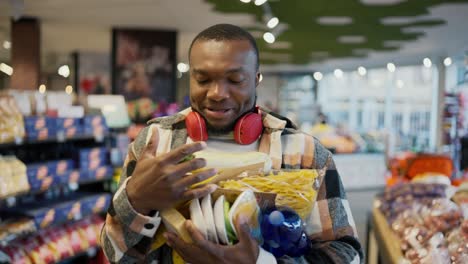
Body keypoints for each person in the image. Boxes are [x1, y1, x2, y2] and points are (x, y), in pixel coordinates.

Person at [101, 24, 363, 264]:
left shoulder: (304, 153)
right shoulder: (157, 143)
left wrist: (261, 261)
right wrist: (135, 201)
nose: (217, 93)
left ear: (257, 78)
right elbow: (115, 255)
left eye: (235, 80)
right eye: (203, 79)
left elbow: (347, 254)